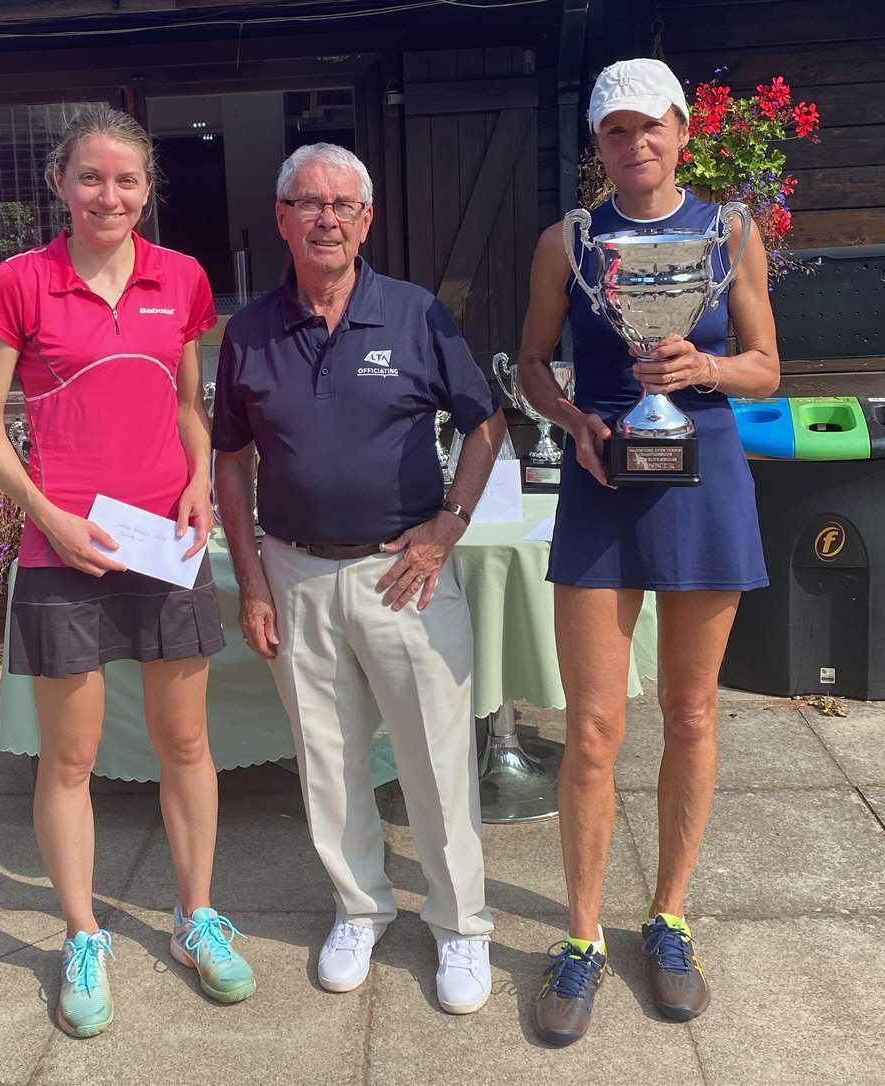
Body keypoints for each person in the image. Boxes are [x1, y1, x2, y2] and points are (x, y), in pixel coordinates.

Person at [0, 106, 255, 1039]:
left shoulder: (183, 279)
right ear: (60, 183)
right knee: (74, 758)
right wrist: (46, 513)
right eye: (92, 178)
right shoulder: (21, 281)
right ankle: (84, 933)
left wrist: (203, 481)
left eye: (128, 181)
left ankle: (195, 916)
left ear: (148, 191)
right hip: (63, 549)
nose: (110, 196)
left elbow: (188, 404)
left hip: (161, 545)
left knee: (184, 745)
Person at [516, 58, 779, 1045]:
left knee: (694, 710)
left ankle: (667, 916)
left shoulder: (732, 232)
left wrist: (703, 364)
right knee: (589, 727)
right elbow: (533, 362)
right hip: (602, 478)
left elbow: (767, 365)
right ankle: (580, 936)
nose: (636, 145)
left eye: (651, 126)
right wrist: (577, 419)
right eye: (616, 132)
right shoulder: (567, 243)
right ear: (599, 145)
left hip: (704, 471)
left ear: (680, 131)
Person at [212, 143, 507, 1015]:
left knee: (437, 760)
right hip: (295, 574)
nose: (326, 218)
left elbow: (486, 427)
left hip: (401, 576)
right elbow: (230, 461)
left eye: (343, 204)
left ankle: (460, 927)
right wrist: (255, 581)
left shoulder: (416, 316)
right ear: (282, 218)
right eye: (308, 203)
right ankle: (360, 907)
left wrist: (448, 526)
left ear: (367, 220)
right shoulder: (250, 331)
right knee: (329, 761)